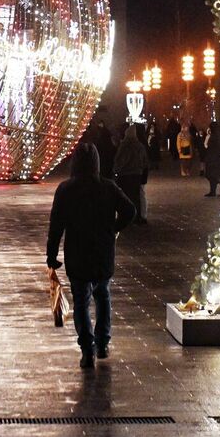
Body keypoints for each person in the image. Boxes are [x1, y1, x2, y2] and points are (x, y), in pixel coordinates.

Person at [45, 143, 135, 368]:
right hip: (103, 251)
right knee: (102, 295)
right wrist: (113, 228)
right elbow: (130, 210)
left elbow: (56, 225)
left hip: (77, 252)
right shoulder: (108, 187)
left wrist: (51, 255)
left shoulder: (66, 189)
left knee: (81, 301)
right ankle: (102, 343)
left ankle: (87, 348)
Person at [113, 124, 149, 225]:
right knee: (136, 196)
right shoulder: (140, 146)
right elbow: (145, 161)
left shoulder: (124, 146)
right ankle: (137, 216)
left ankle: (126, 216)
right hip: (137, 174)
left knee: (125, 196)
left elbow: (120, 160)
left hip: (125, 174)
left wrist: (116, 170)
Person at [202, 120, 220, 197]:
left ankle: (219, 191)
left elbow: (210, 147)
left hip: (213, 159)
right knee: (217, 176)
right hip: (218, 159)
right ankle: (217, 191)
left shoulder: (214, 137)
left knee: (215, 176)